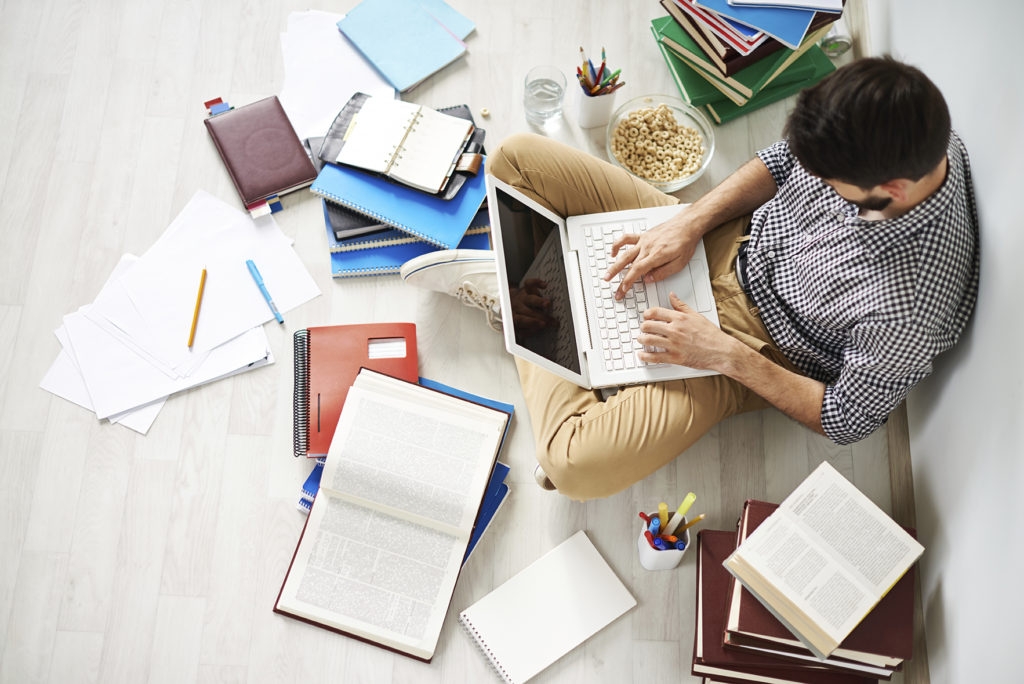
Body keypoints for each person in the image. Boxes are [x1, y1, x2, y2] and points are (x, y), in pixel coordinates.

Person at [401, 56, 980, 501]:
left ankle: (520, 302)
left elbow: (847, 417)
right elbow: (779, 164)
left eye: (829, 184)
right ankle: (560, 315)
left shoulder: (910, 305)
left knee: (572, 465)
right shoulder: (897, 126)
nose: (813, 179)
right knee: (514, 158)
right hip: (724, 238)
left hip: (752, 346)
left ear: (893, 193)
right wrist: (689, 220)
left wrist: (725, 355)